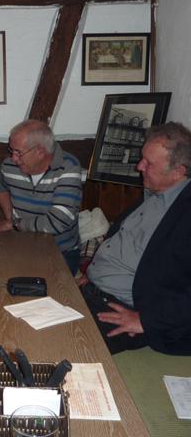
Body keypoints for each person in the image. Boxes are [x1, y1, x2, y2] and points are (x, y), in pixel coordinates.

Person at [78, 122, 191, 355]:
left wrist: (145, 321)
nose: (139, 167)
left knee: (63, 346)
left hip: (123, 310)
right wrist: (93, 273)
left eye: (149, 163)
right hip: (92, 290)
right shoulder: (154, 193)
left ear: (178, 172)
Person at [0, 119, 82, 274]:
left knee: (54, 288)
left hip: (61, 252)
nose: (13, 158)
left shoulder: (68, 167)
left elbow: (57, 223)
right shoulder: (9, 166)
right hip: (20, 245)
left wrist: (15, 224)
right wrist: (10, 217)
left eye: (18, 152)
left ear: (40, 151)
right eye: (11, 150)